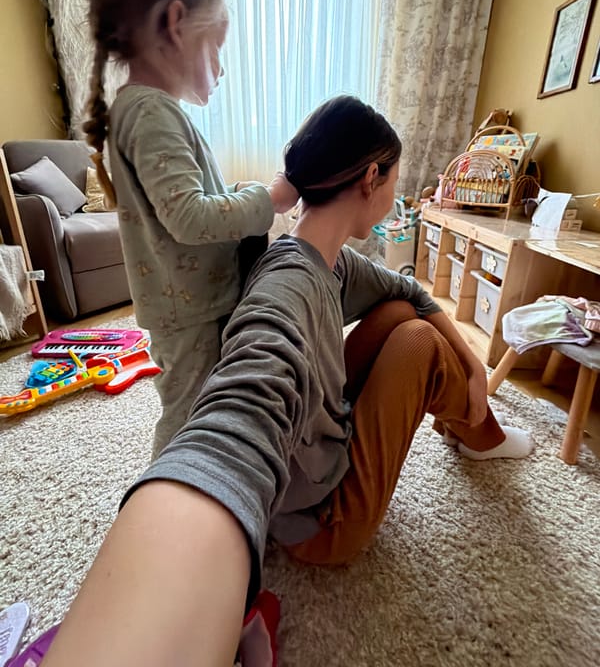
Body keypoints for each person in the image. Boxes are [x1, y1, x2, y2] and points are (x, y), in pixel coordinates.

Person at [42, 96, 533, 667]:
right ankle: (479, 432)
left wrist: (473, 365)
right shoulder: (288, 287)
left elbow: (412, 291)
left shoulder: (324, 259)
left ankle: (471, 421)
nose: (394, 196)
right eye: (393, 181)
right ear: (370, 177)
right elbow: (247, 396)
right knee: (418, 343)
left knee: (403, 315)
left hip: (316, 447)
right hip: (321, 522)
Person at [82, 0, 298, 457]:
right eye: (217, 45)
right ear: (176, 22)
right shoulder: (150, 113)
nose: (221, 68)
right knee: (189, 417)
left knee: (211, 401)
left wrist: (242, 195)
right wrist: (268, 199)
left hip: (197, 302)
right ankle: (167, 508)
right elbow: (190, 217)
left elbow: (186, 202)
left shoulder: (146, 110)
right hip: (190, 311)